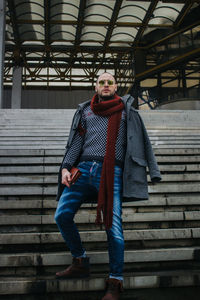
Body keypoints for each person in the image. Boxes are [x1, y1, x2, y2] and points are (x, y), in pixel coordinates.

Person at [54, 72, 161, 300]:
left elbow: (143, 142)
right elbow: (76, 143)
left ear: (116, 86)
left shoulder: (127, 112)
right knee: (61, 215)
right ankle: (80, 260)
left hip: (111, 171)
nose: (105, 85)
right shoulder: (85, 111)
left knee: (113, 227)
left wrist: (154, 171)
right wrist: (65, 168)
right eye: (101, 82)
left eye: (109, 82)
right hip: (81, 171)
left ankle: (115, 281)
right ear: (96, 86)